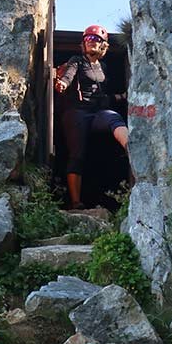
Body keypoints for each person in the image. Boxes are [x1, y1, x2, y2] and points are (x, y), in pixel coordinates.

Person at [54, 24, 129, 208]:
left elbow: (102, 96)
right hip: (77, 112)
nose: (90, 42)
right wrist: (63, 83)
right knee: (77, 154)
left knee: (114, 118)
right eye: (87, 39)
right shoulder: (77, 61)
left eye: (95, 39)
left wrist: (121, 97)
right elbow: (69, 75)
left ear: (103, 44)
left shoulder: (102, 67)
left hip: (96, 112)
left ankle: (131, 147)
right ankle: (75, 202)